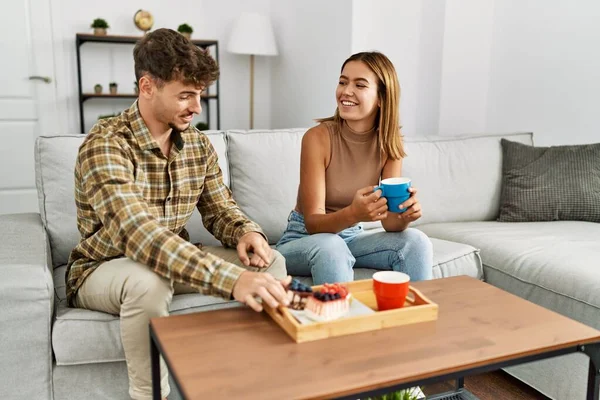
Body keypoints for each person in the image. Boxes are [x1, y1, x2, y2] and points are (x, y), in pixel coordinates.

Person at [67, 28, 289, 400]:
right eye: (185, 95)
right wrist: (230, 280)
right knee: (147, 283)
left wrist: (246, 233)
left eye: (199, 95)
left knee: (271, 265)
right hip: (104, 266)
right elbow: (138, 234)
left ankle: (251, 381)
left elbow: (220, 208)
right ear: (147, 87)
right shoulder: (105, 145)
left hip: (168, 258)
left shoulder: (198, 145)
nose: (197, 107)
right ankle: (151, 395)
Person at [276, 51, 433, 285]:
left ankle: (413, 319)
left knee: (416, 242)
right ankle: (341, 320)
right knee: (332, 246)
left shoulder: (390, 143)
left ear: (381, 97)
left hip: (351, 237)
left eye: (360, 85)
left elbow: (390, 223)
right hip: (305, 239)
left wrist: (404, 215)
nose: (346, 91)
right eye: (342, 82)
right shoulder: (318, 138)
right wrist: (354, 214)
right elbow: (313, 223)